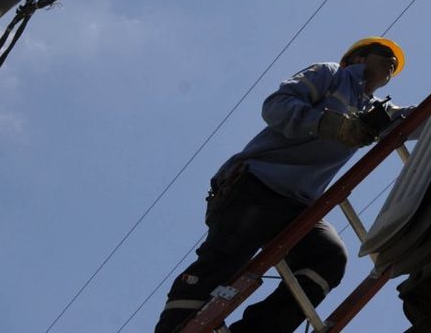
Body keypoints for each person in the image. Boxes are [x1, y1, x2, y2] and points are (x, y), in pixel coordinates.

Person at [154, 36, 411, 333]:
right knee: (221, 264)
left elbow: (417, 118)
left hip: (297, 205)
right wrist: (329, 124)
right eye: (384, 53)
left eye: (395, 61)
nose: (392, 60)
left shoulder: (374, 112)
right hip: (257, 184)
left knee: (327, 257)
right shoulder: (330, 75)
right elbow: (276, 106)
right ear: (358, 59)